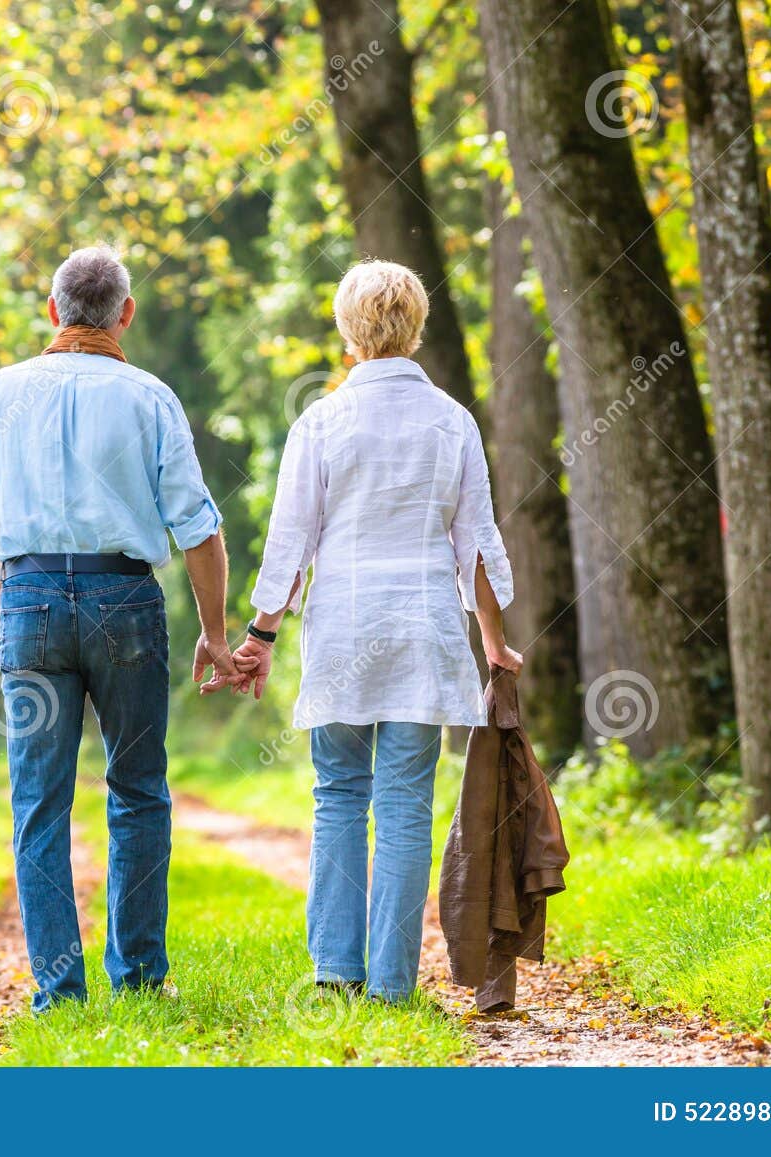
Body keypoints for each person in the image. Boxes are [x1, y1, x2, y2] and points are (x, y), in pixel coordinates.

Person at [216, 260, 523, 1003]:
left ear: (348, 333)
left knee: (339, 794)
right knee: (406, 802)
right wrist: (493, 638)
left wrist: (260, 634)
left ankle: (335, 972)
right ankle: (391, 983)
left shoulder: (321, 421)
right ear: (416, 327)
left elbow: (291, 541)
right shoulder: (451, 420)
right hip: (423, 628)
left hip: (344, 631)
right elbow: (474, 542)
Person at [0, 245, 234, 1010]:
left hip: (32, 599)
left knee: (39, 800)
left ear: (53, 311)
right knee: (138, 789)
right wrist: (215, 631)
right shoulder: (151, 398)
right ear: (125, 315)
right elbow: (198, 529)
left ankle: (57, 992)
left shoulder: (1, 392)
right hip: (125, 605)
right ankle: (139, 977)